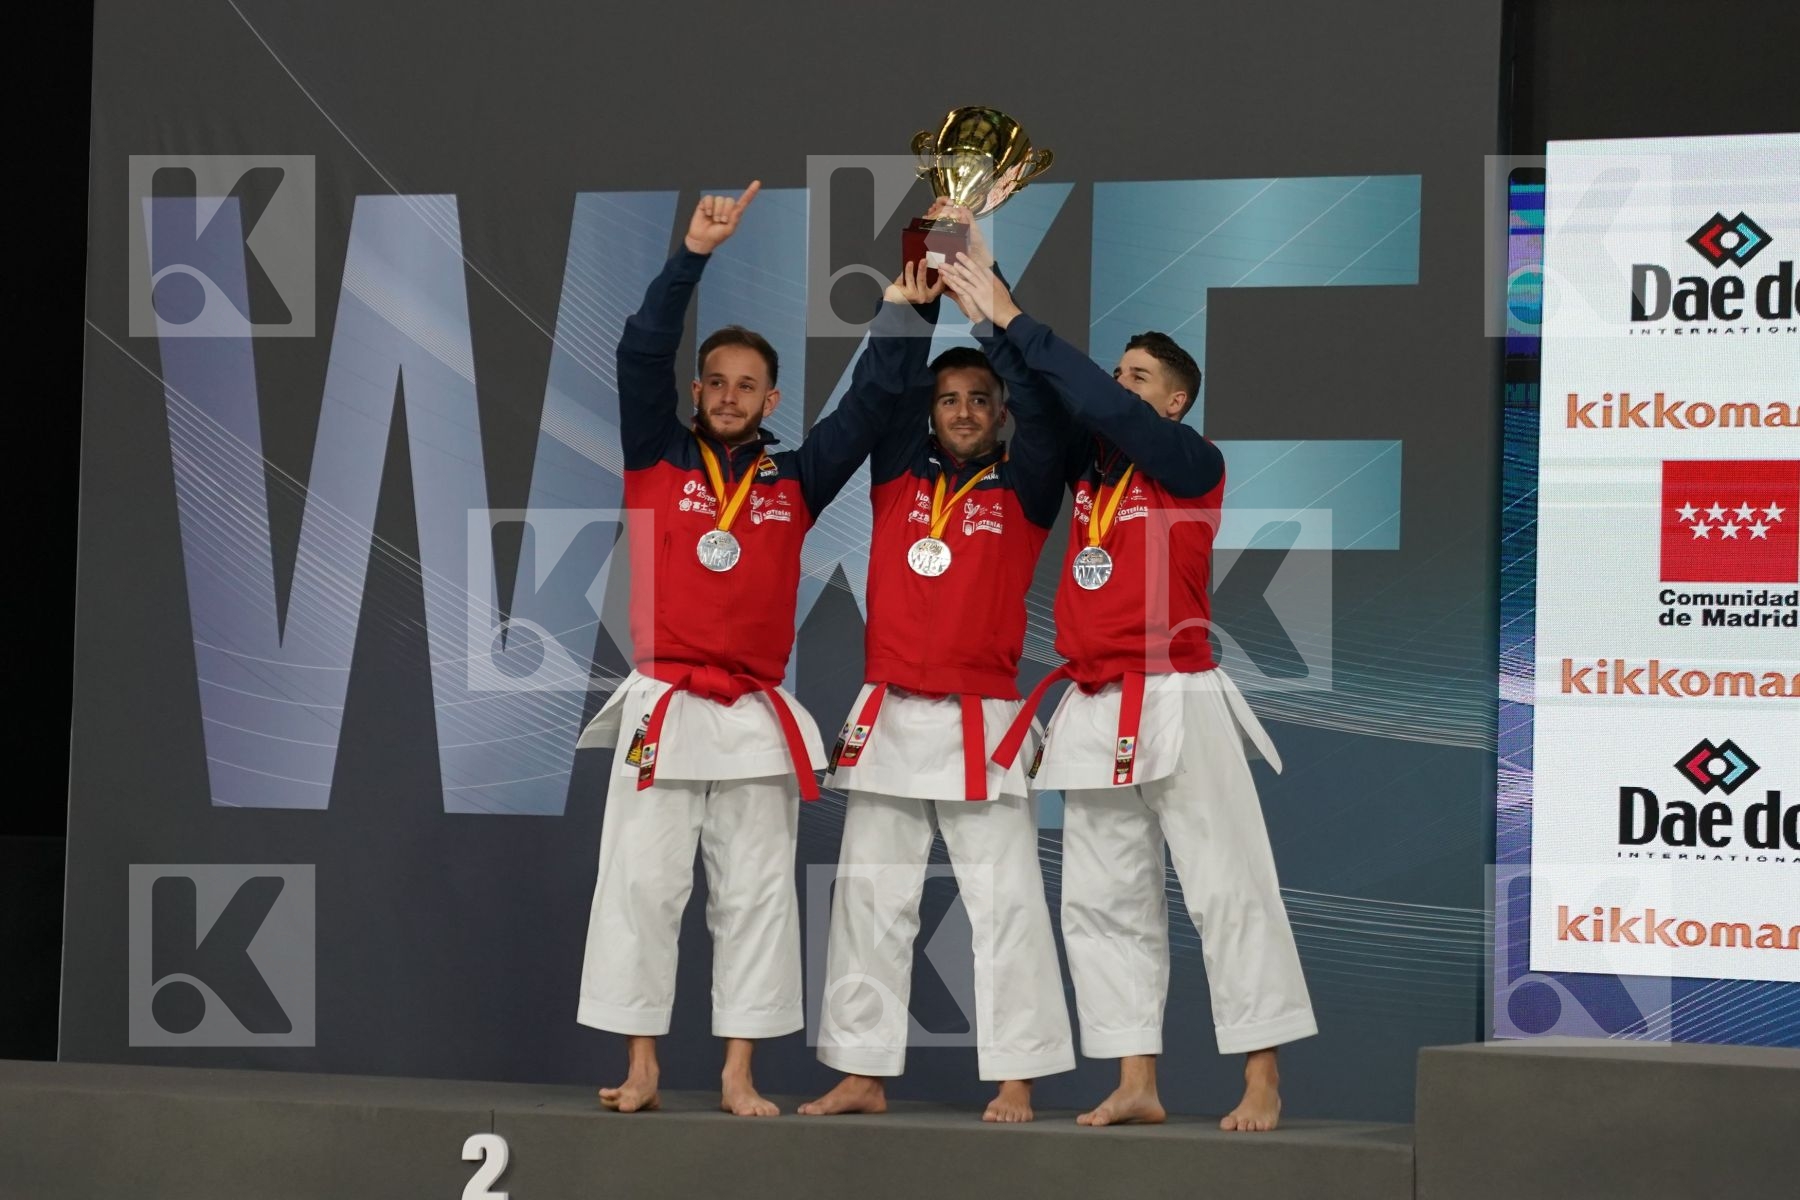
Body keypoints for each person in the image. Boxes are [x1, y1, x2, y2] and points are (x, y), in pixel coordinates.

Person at [574, 181, 943, 1117]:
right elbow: (640, 349)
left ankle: (739, 1070)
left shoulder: (795, 478)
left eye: (748, 386)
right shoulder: (656, 453)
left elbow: (869, 402)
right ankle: (644, 1063)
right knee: (642, 887)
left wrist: (914, 303)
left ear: (769, 398)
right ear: (695, 391)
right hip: (663, 704)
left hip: (751, 715)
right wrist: (691, 255)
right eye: (716, 382)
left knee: (756, 895)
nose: (730, 397)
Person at [939, 252, 1316, 1132]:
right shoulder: (1090, 475)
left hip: (1180, 696)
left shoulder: (1190, 463)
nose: (1117, 386)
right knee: (1103, 901)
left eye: (1138, 377)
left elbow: (1101, 405)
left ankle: (1263, 1076)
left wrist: (1019, 317)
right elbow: (1050, 405)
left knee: (1228, 888)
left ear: (1174, 401)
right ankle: (1136, 1078)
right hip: (1094, 701)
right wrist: (995, 331)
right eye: (1117, 372)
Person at [799, 214, 1075, 1124]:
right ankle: (862, 1072)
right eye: (950, 399)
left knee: (1005, 906)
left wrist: (995, 319)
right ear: (933, 413)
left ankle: (1018, 1077)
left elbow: (1042, 403)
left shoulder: (1028, 485)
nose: (964, 410)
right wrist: (905, 317)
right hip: (889, 711)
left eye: (980, 399)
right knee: (870, 902)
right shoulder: (895, 473)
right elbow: (878, 395)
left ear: (999, 414)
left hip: (981, 718)